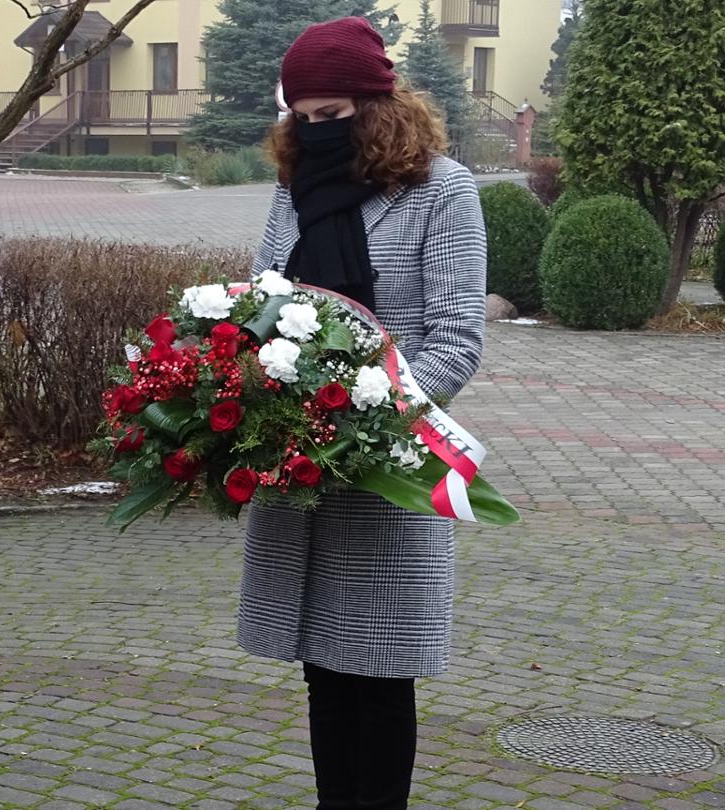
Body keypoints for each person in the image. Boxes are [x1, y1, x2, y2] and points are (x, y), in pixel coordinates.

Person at [239, 16, 487, 810]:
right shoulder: (293, 188)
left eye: (332, 115)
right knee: (322, 666)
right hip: (302, 464)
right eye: (301, 117)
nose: (314, 132)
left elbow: (456, 340)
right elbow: (266, 304)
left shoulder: (441, 190)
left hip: (387, 465)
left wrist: (367, 415)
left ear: (377, 105)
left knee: (378, 673)